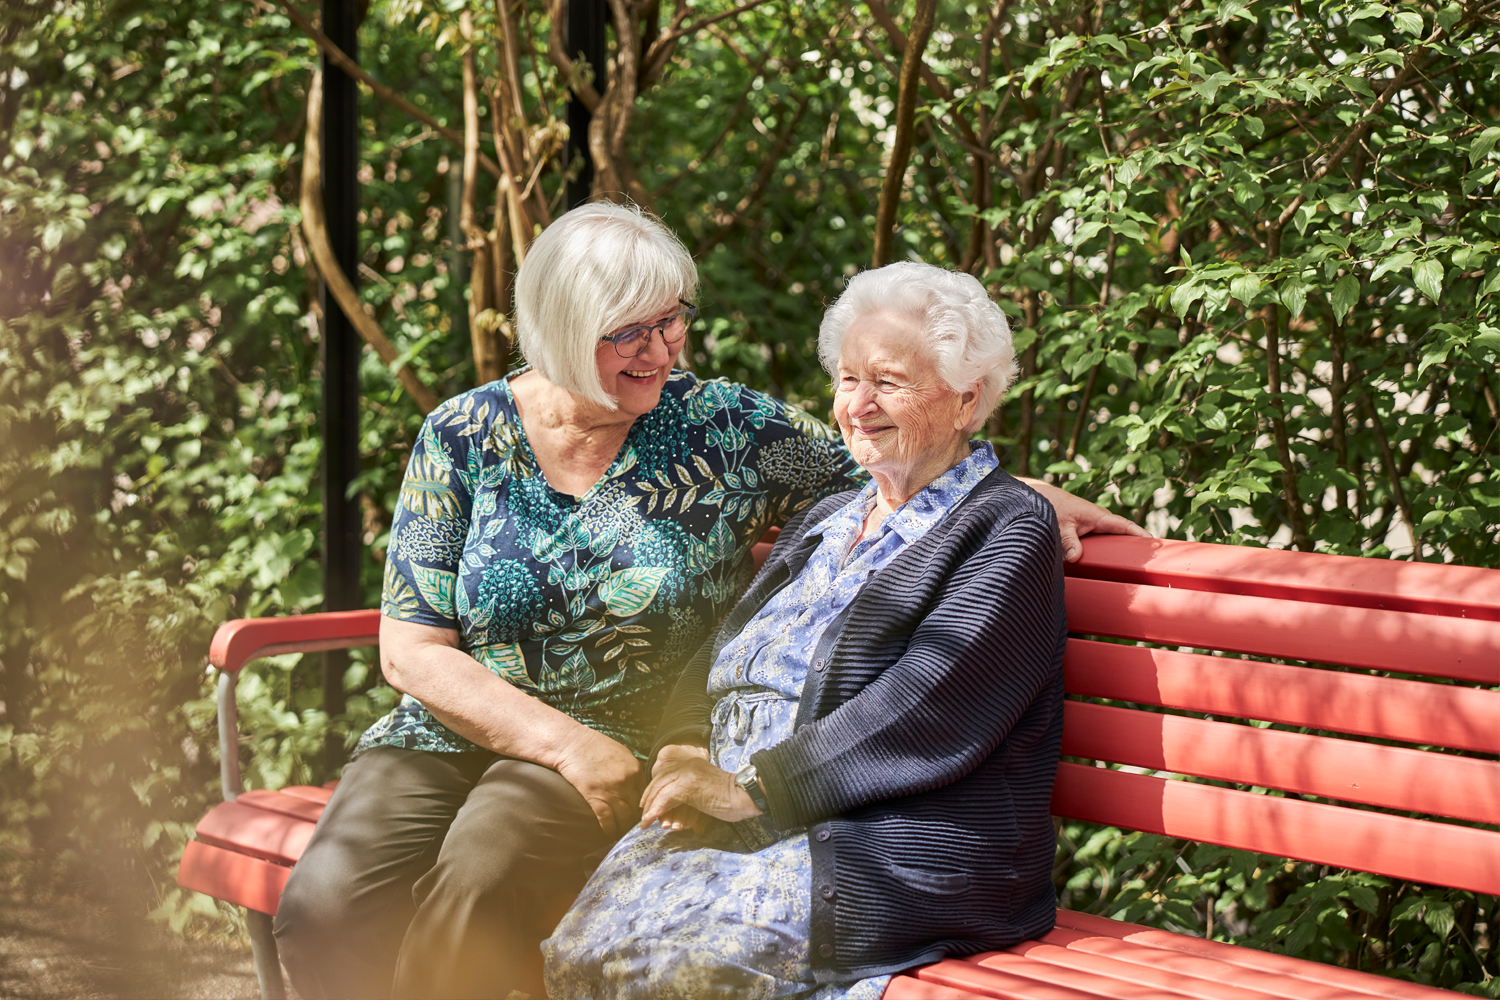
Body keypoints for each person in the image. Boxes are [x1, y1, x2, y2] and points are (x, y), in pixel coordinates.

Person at [273, 203, 1138, 999]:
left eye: (672, 321)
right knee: (325, 905)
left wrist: (1025, 493)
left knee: (482, 881)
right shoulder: (465, 434)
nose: (663, 350)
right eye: (630, 332)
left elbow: (899, 466)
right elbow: (412, 648)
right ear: (564, 332)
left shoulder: (725, 429)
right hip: (461, 729)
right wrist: (571, 748)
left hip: (630, 738)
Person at [544, 261, 1070, 1000]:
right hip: (739, 814)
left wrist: (756, 789)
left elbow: (931, 705)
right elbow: (722, 648)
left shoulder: (1005, 527)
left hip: (881, 843)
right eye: (849, 379)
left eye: (889, 381)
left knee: (666, 974)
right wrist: (685, 744)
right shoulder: (831, 520)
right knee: (580, 953)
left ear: (967, 398)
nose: (859, 405)